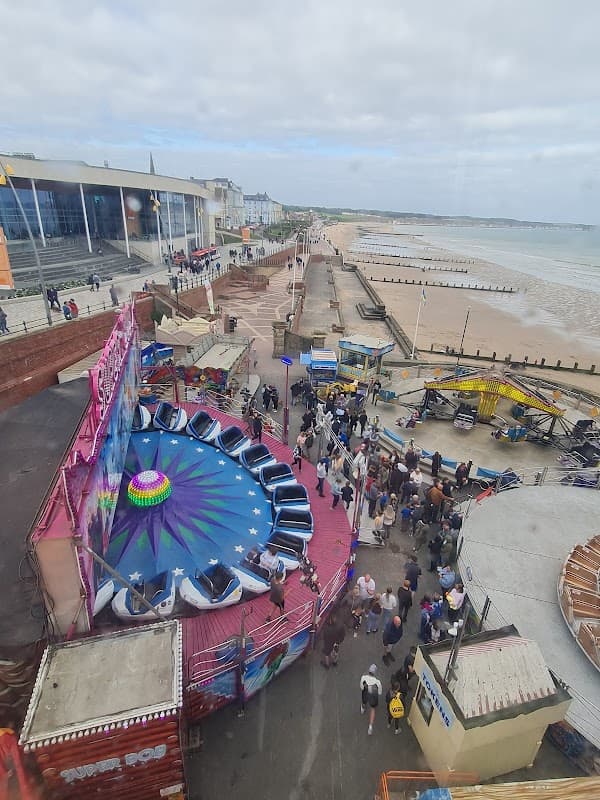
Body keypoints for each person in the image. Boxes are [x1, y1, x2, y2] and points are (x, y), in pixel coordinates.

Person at [360, 664, 383, 735]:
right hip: (373, 696)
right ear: (375, 673)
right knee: (373, 709)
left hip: (365, 694)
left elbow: (361, 687)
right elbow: (379, 693)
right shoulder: (377, 682)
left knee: (364, 702)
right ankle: (370, 727)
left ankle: (363, 709)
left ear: (369, 671)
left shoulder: (363, 677)